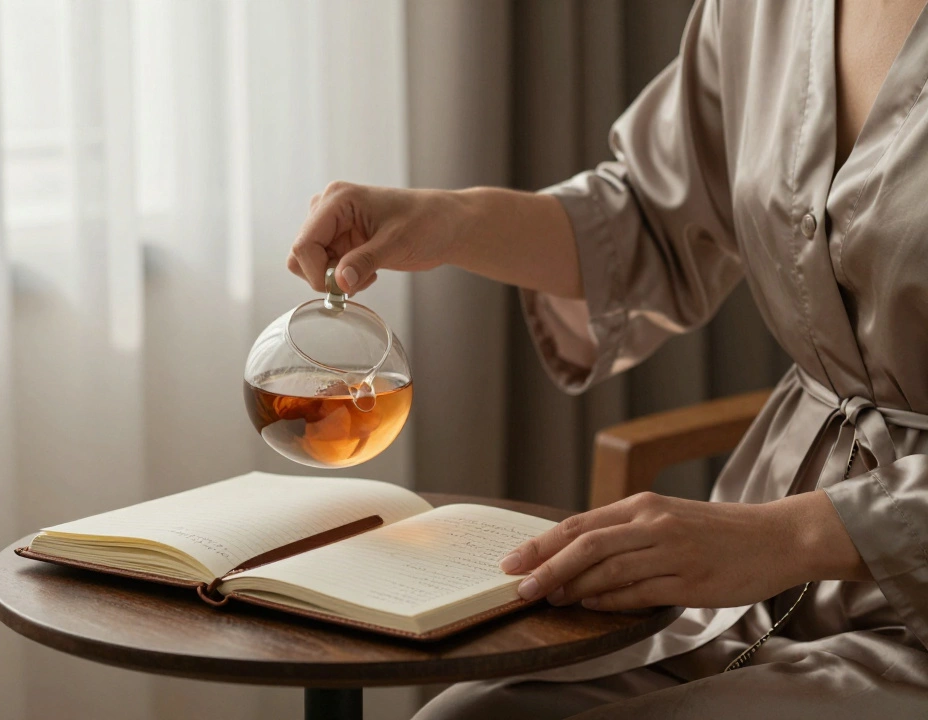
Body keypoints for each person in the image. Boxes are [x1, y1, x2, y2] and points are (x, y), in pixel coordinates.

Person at [287, 0, 928, 716]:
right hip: (757, 578)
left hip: (844, 589)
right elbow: (649, 217)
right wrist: (450, 220)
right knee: (466, 713)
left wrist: (792, 536)